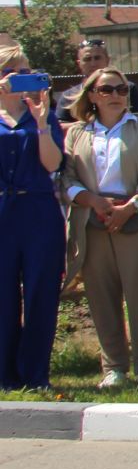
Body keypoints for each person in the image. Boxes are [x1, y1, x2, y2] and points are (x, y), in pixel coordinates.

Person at [62, 67, 138, 389]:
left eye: (122, 89)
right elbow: (66, 177)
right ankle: (114, 367)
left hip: (136, 216)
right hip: (92, 220)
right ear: (92, 95)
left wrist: (130, 207)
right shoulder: (77, 133)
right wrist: (91, 200)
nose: (116, 96)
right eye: (107, 90)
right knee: (100, 297)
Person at [1, 45, 65, 390]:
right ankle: (5, 375)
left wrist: (41, 123)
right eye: (12, 71)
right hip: (2, 211)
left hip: (39, 210)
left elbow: (53, 164)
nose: (20, 78)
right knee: (3, 295)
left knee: (41, 291)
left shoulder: (45, 115)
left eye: (25, 71)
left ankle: (35, 373)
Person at [59, 37, 138, 122]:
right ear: (79, 63)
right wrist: (91, 125)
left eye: (97, 58)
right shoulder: (70, 96)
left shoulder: (126, 88)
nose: (93, 64)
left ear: (107, 60)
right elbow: (60, 127)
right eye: (87, 59)